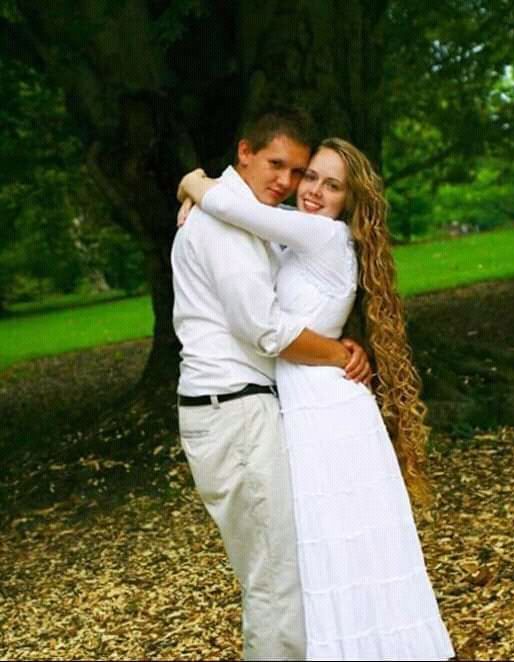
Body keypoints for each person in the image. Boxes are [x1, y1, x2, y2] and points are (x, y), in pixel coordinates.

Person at [177, 137, 456, 661]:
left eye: (332, 185)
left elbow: (227, 205)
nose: (312, 191)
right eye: (311, 178)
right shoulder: (300, 235)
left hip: (325, 408)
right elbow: (241, 218)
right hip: (304, 402)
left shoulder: (321, 236)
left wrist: (191, 181)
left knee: (339, 547)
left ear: (348, 200)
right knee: (325, 551)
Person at [171, 108, 372, 662]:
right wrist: (338, 352)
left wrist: (196, 185)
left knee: (284, 571)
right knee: (276, 581)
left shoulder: (248, 217)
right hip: (233, 411)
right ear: (244, 153)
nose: (286, 183)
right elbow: (265, 328)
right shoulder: (224, 227)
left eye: (297, 172)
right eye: (276, 165)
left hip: (245, 410)